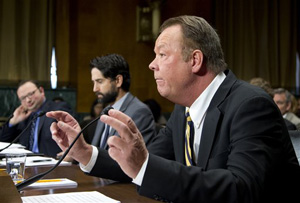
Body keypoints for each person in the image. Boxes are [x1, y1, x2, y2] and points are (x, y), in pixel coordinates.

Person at [47, 16, 300, 202]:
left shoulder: (250, 105)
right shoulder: (183, 111)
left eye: (162, 55)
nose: (151, 64)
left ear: (195, 60)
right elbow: (142, 162)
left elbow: (241, 189)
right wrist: (84, 152)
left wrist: (143, 166)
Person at [0, 80, 74, 158]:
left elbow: (72, 135)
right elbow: (2, 140)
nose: (28, 100)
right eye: (23, 98)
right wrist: (13, 121)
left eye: (30, 94)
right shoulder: (24, 117)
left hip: (51, 163)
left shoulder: (58, 109)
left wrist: (70, 152)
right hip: (27, 163)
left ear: (41, 91)